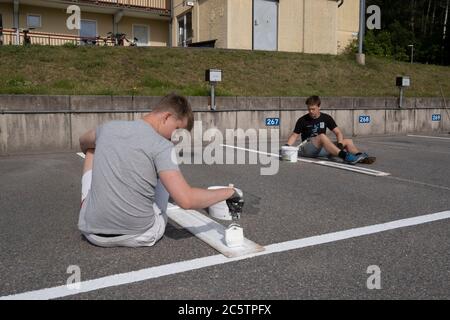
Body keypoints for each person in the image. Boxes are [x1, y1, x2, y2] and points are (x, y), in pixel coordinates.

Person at [78, 93, 243, 247]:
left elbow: (83, 141)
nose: (174, 138)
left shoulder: (108, 128)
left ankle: (99, 211)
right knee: (164, 170)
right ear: (166, 117)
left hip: (92, 233)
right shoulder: (162, 145)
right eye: (177, 130)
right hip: (140, 234)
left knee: (92, 151)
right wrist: (230, 192)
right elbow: (187, 200)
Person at [285, 95, 375, 165]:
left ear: (319, 107)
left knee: (348, 141)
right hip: (307, 149)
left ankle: (360, 157)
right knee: (322, 136)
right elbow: (294, 135)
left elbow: (338, 132)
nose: (311, 111)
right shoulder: (302, 120)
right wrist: (287, 146)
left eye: (313, 109)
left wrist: (340, 144)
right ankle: (344, 156)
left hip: (320, 149)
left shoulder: (326, 118)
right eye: (309, 109)